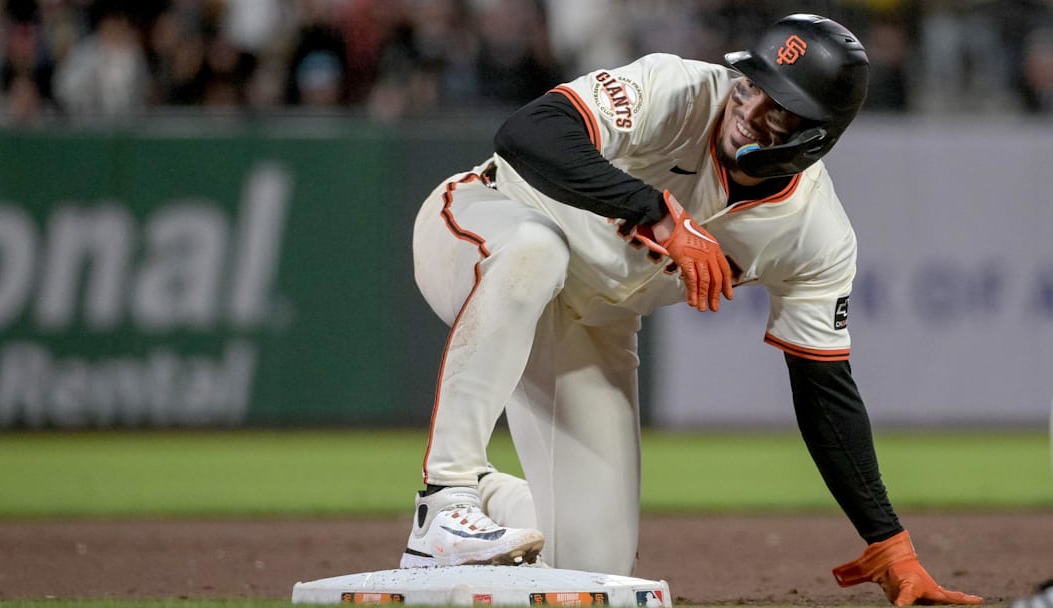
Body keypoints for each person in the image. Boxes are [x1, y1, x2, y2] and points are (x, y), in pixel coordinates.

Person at [401, 13, 983, 606]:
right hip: (483, 219)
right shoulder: (675, 89)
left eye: (780, 107)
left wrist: (888, 541)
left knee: (591, 571)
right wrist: (654, 209)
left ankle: (487, 497)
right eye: (754, 84)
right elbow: (529, 132)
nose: (750, 109)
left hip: (587, 326)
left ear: (817, 136)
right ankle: (444, 499)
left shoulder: (816, 235)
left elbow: (825, 392)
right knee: (536, 251)